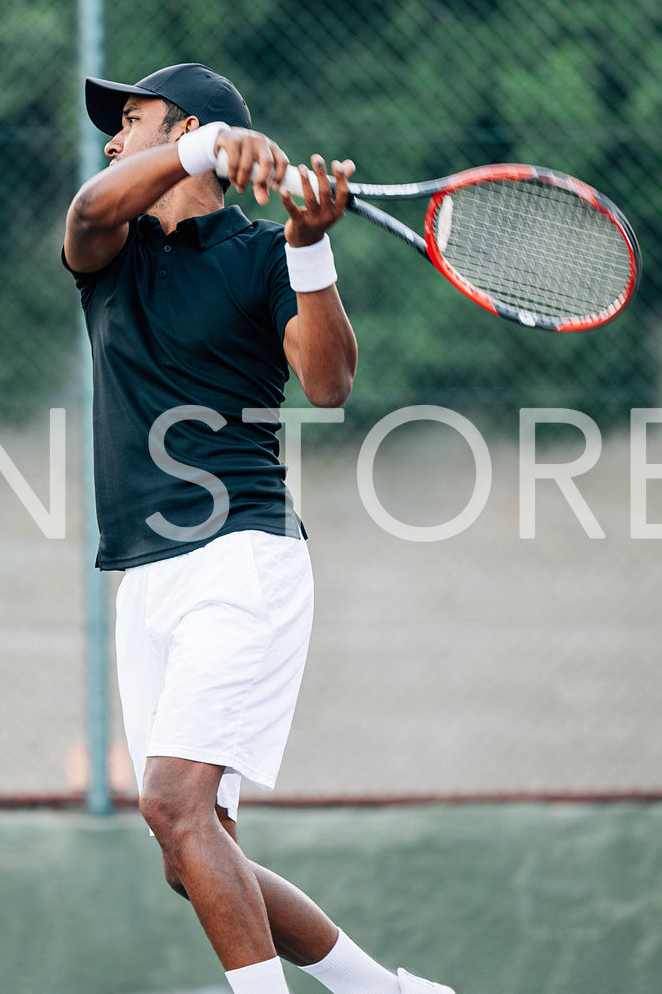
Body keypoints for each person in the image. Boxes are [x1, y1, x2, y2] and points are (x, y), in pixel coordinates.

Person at [62, 62, 455, 994]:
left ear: (184, 122)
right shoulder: (112, 249)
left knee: (172, 803)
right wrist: (196, 150)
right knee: (188, 850)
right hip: (145, 577)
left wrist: (310, 244)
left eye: (133, 121)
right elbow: (86, 210)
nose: (114, 140)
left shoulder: (262, 260)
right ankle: (384, 993)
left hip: (241, 558)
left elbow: (328, 383)